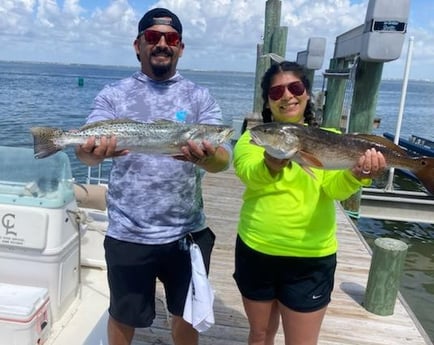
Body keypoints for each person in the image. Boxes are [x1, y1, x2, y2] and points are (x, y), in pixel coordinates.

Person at [75, 8, 232, 345]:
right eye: (153, 37)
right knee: (122, 315)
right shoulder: (113, 95)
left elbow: (223, 161)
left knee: (186, 314)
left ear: (181, 47)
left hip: (186, 231)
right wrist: (91, 150)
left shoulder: (199, 97)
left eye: (171, 38)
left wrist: (208, 157)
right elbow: (84, 153)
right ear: (138, 45)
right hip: (128, 231)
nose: (162, 43)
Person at [232, 61, 386, 345]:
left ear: (307, 95)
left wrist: (358, 175)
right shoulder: (253, 139)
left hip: (311, 258)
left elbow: (334, 188)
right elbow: (252, 176)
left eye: (295, 87)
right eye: (276, 92)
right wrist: (272, 162)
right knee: (260, 333)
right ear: (267, 101)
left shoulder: (333, 138)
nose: (287, 96)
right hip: (257, 250)